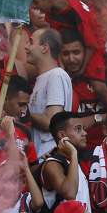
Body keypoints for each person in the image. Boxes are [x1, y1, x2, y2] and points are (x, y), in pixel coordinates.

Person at [28, 28, 73, 156]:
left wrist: (24, 111)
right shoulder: (44, 77)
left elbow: (51, 122)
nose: (26, 47)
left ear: (44, 48)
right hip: (40, 157)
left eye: (31, 42)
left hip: (50, 156)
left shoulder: (56, 75)